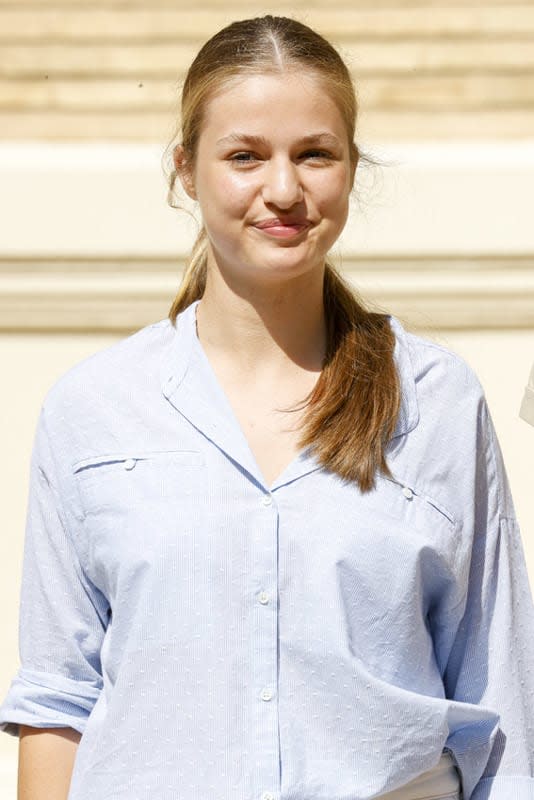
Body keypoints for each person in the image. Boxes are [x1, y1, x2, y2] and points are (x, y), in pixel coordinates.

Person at [1, 14, 533, 800]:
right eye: (244, 156)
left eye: (314, 154)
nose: (283, 190)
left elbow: (501, 706)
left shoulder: (438, 402)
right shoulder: (93, 409)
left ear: (352, 166)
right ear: (186, 168)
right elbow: (58, 700)